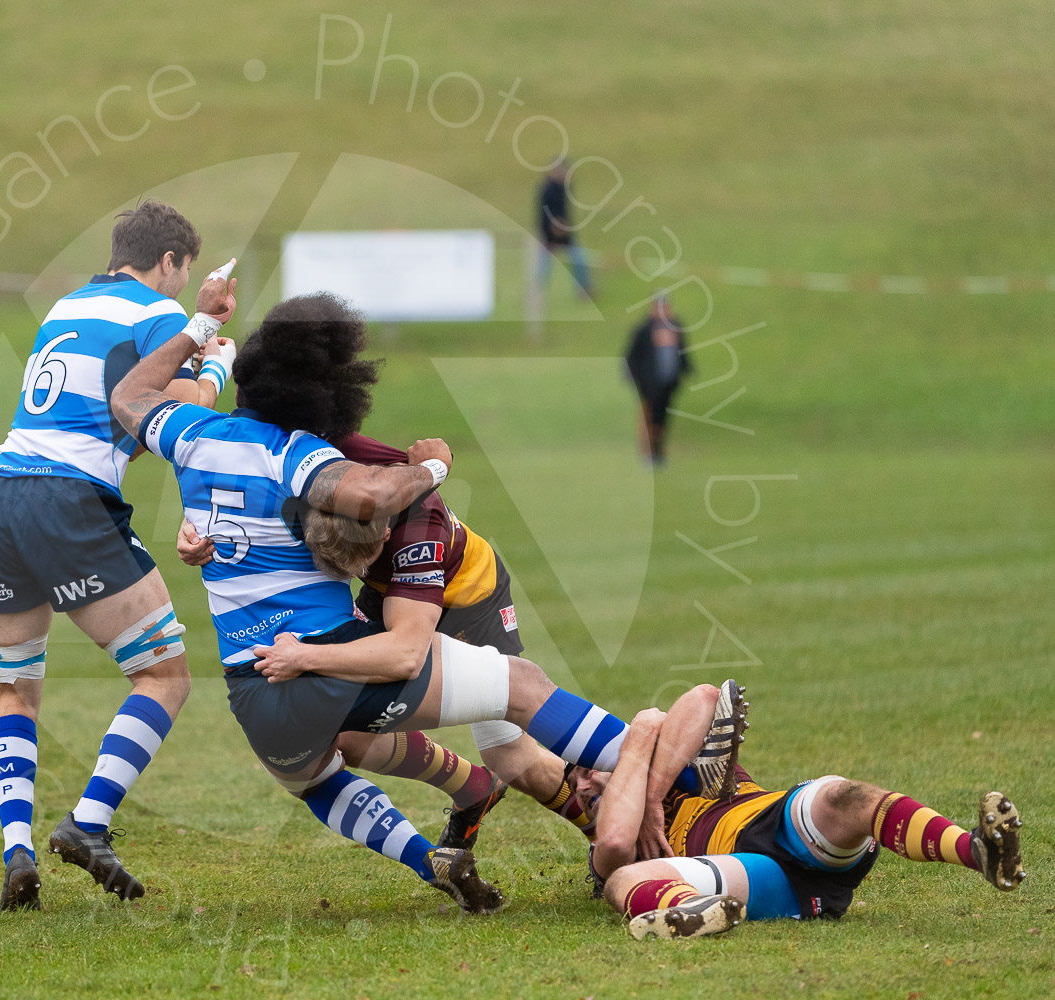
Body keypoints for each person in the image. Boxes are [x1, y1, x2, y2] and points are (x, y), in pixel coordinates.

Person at [110, 293, 730, 914]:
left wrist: (202, 327)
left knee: (320, 778)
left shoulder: (192, 433)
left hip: (252, 695)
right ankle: (672, 778)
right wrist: (431, 468)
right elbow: (372, 502)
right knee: (522, 686)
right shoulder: (298, 456)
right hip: (332, 657)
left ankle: (435, 852)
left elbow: (129, 399)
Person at [178, 440, 745, 849]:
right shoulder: (311, 468)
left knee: (507, 750)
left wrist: (303, 656)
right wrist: (199, 533)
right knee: (348, 737)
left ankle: (682, 781)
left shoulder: (413, 529)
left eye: (360, 555)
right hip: (390, 598)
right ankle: (597, 823)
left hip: (463, 597)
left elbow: (404, 654)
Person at [0, 200, 238, 910]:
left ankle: (16, 851)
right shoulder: (157, 314)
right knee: (164, 676)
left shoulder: (66, 304)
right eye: (179, 272)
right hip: (67, 500)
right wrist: (216, 369)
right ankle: (88, 823)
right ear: (171, 262)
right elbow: (173, 416)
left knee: (12, 687)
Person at [564, 684, 1027, 940]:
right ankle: (692, 913)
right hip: (754, 873)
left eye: (588, 771)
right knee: (624, 881)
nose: (584, 785)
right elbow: (613, 849)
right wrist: (640, 736)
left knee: (840, 795)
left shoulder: (682, 770)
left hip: (777, 823)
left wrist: (650, 791)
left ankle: (978, 851)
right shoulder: (608, 838)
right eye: (578, 787)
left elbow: (705, 697)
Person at [624, 294, 691, 465]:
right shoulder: (644, 329)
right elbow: (632, 356)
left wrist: (686, 370)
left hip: (668, 383)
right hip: (648, 385)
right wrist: (633, 377)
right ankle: (648, 454)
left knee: (662, 419)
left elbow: (682, 353)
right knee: (648, 419)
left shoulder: (676, 328)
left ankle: (659, 453)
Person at [535, 158, 594, 301]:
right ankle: (537, 293)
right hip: (550, 234)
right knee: (544, 265)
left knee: (578, 258)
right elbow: (545, 213)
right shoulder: (548, 189)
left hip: (564, 233)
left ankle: (584, 289)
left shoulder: (563, 188)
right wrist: (554, 228)